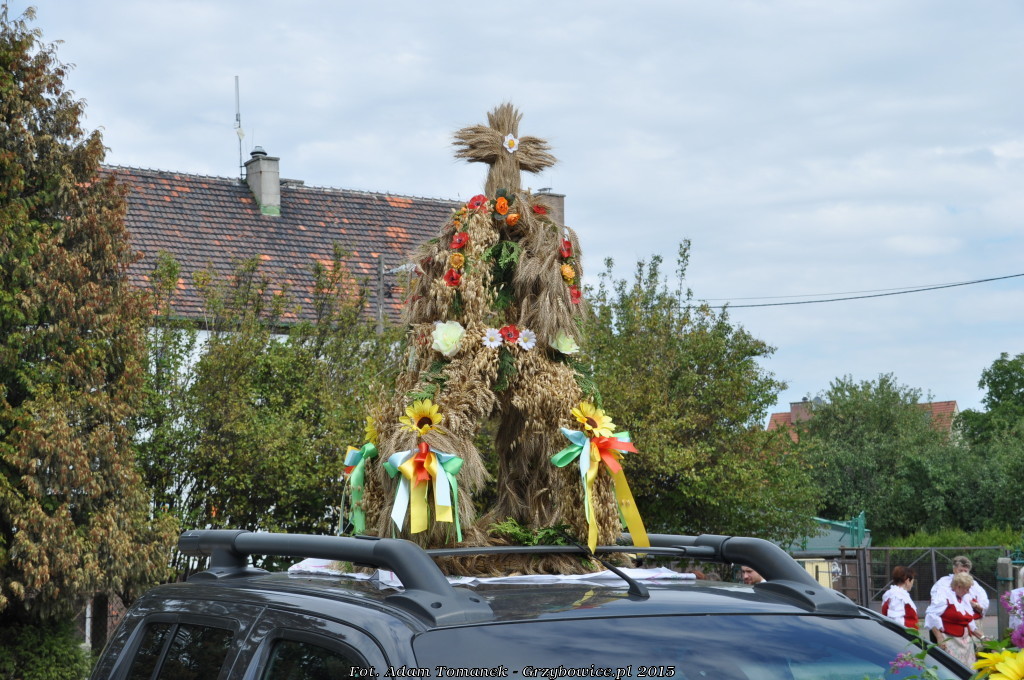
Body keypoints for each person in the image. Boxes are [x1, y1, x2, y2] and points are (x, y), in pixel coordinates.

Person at [926, 572, 984, 667]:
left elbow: (970, 623)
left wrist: (982, 637)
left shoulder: (964, 599)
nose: (968, 592)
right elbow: (931, 616)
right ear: (959, 587)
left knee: (968, 670)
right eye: (967, 588)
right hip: (950, 641)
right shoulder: (944, 597)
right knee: (953, 669)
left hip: (966, 645)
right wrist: (939, 638)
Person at [931, 555, 989, 622]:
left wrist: (974, 605)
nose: (963, 573)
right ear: (954, 570)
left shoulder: (974, 585)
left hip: (972, 620)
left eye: (965, 571)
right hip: (949, 620)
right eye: (961, 570)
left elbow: (983, 607)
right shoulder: (943, 582)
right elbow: (935, 602)